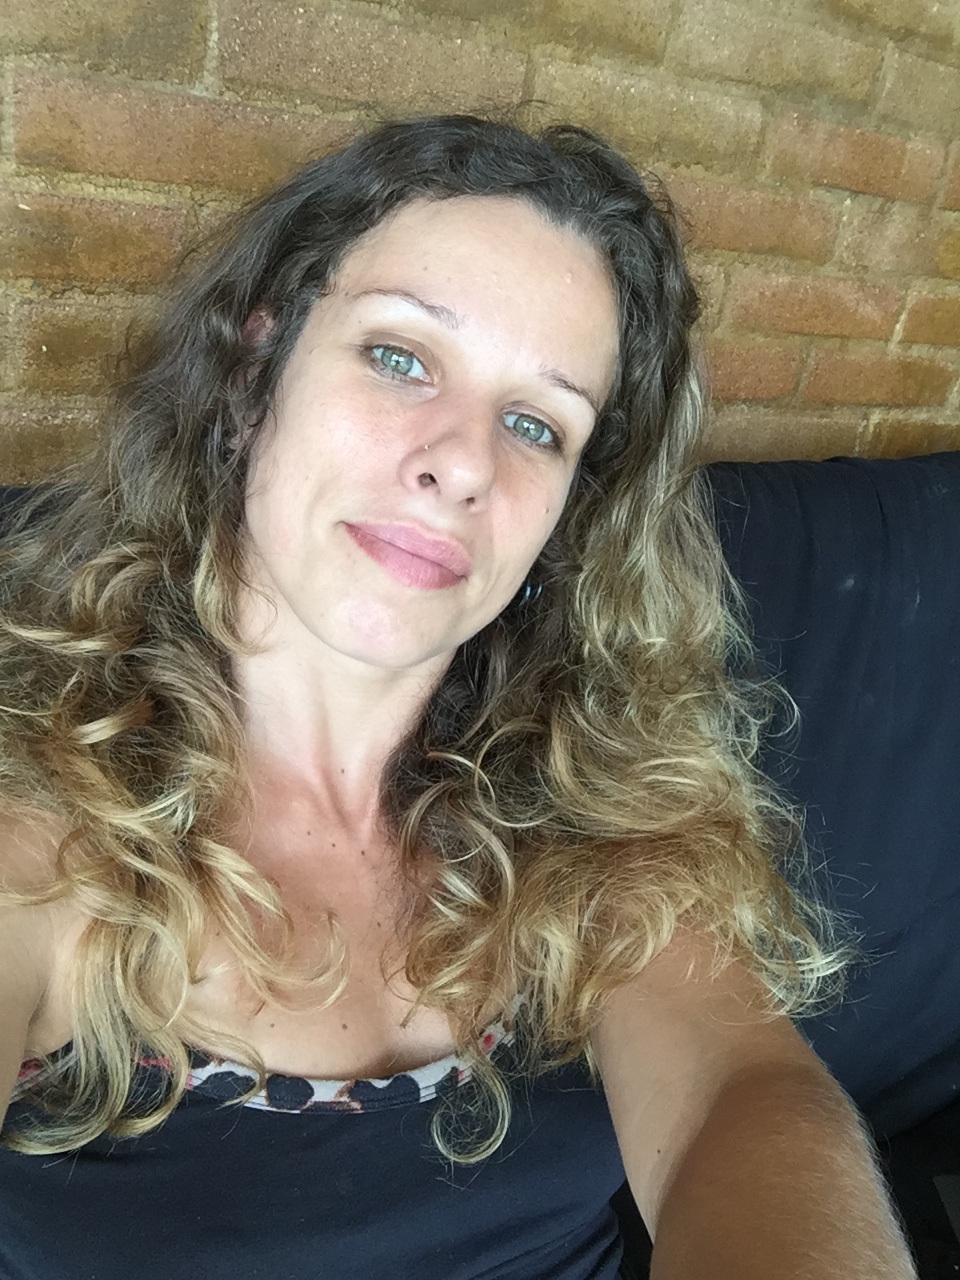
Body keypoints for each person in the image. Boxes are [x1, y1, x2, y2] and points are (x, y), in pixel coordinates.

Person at [0, 114, 914, 1279]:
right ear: (253, 367)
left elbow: (739, 1091)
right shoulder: (38, 814)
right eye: (401, 356)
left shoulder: (590, 804)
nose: (469, 461)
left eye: (537, 423)